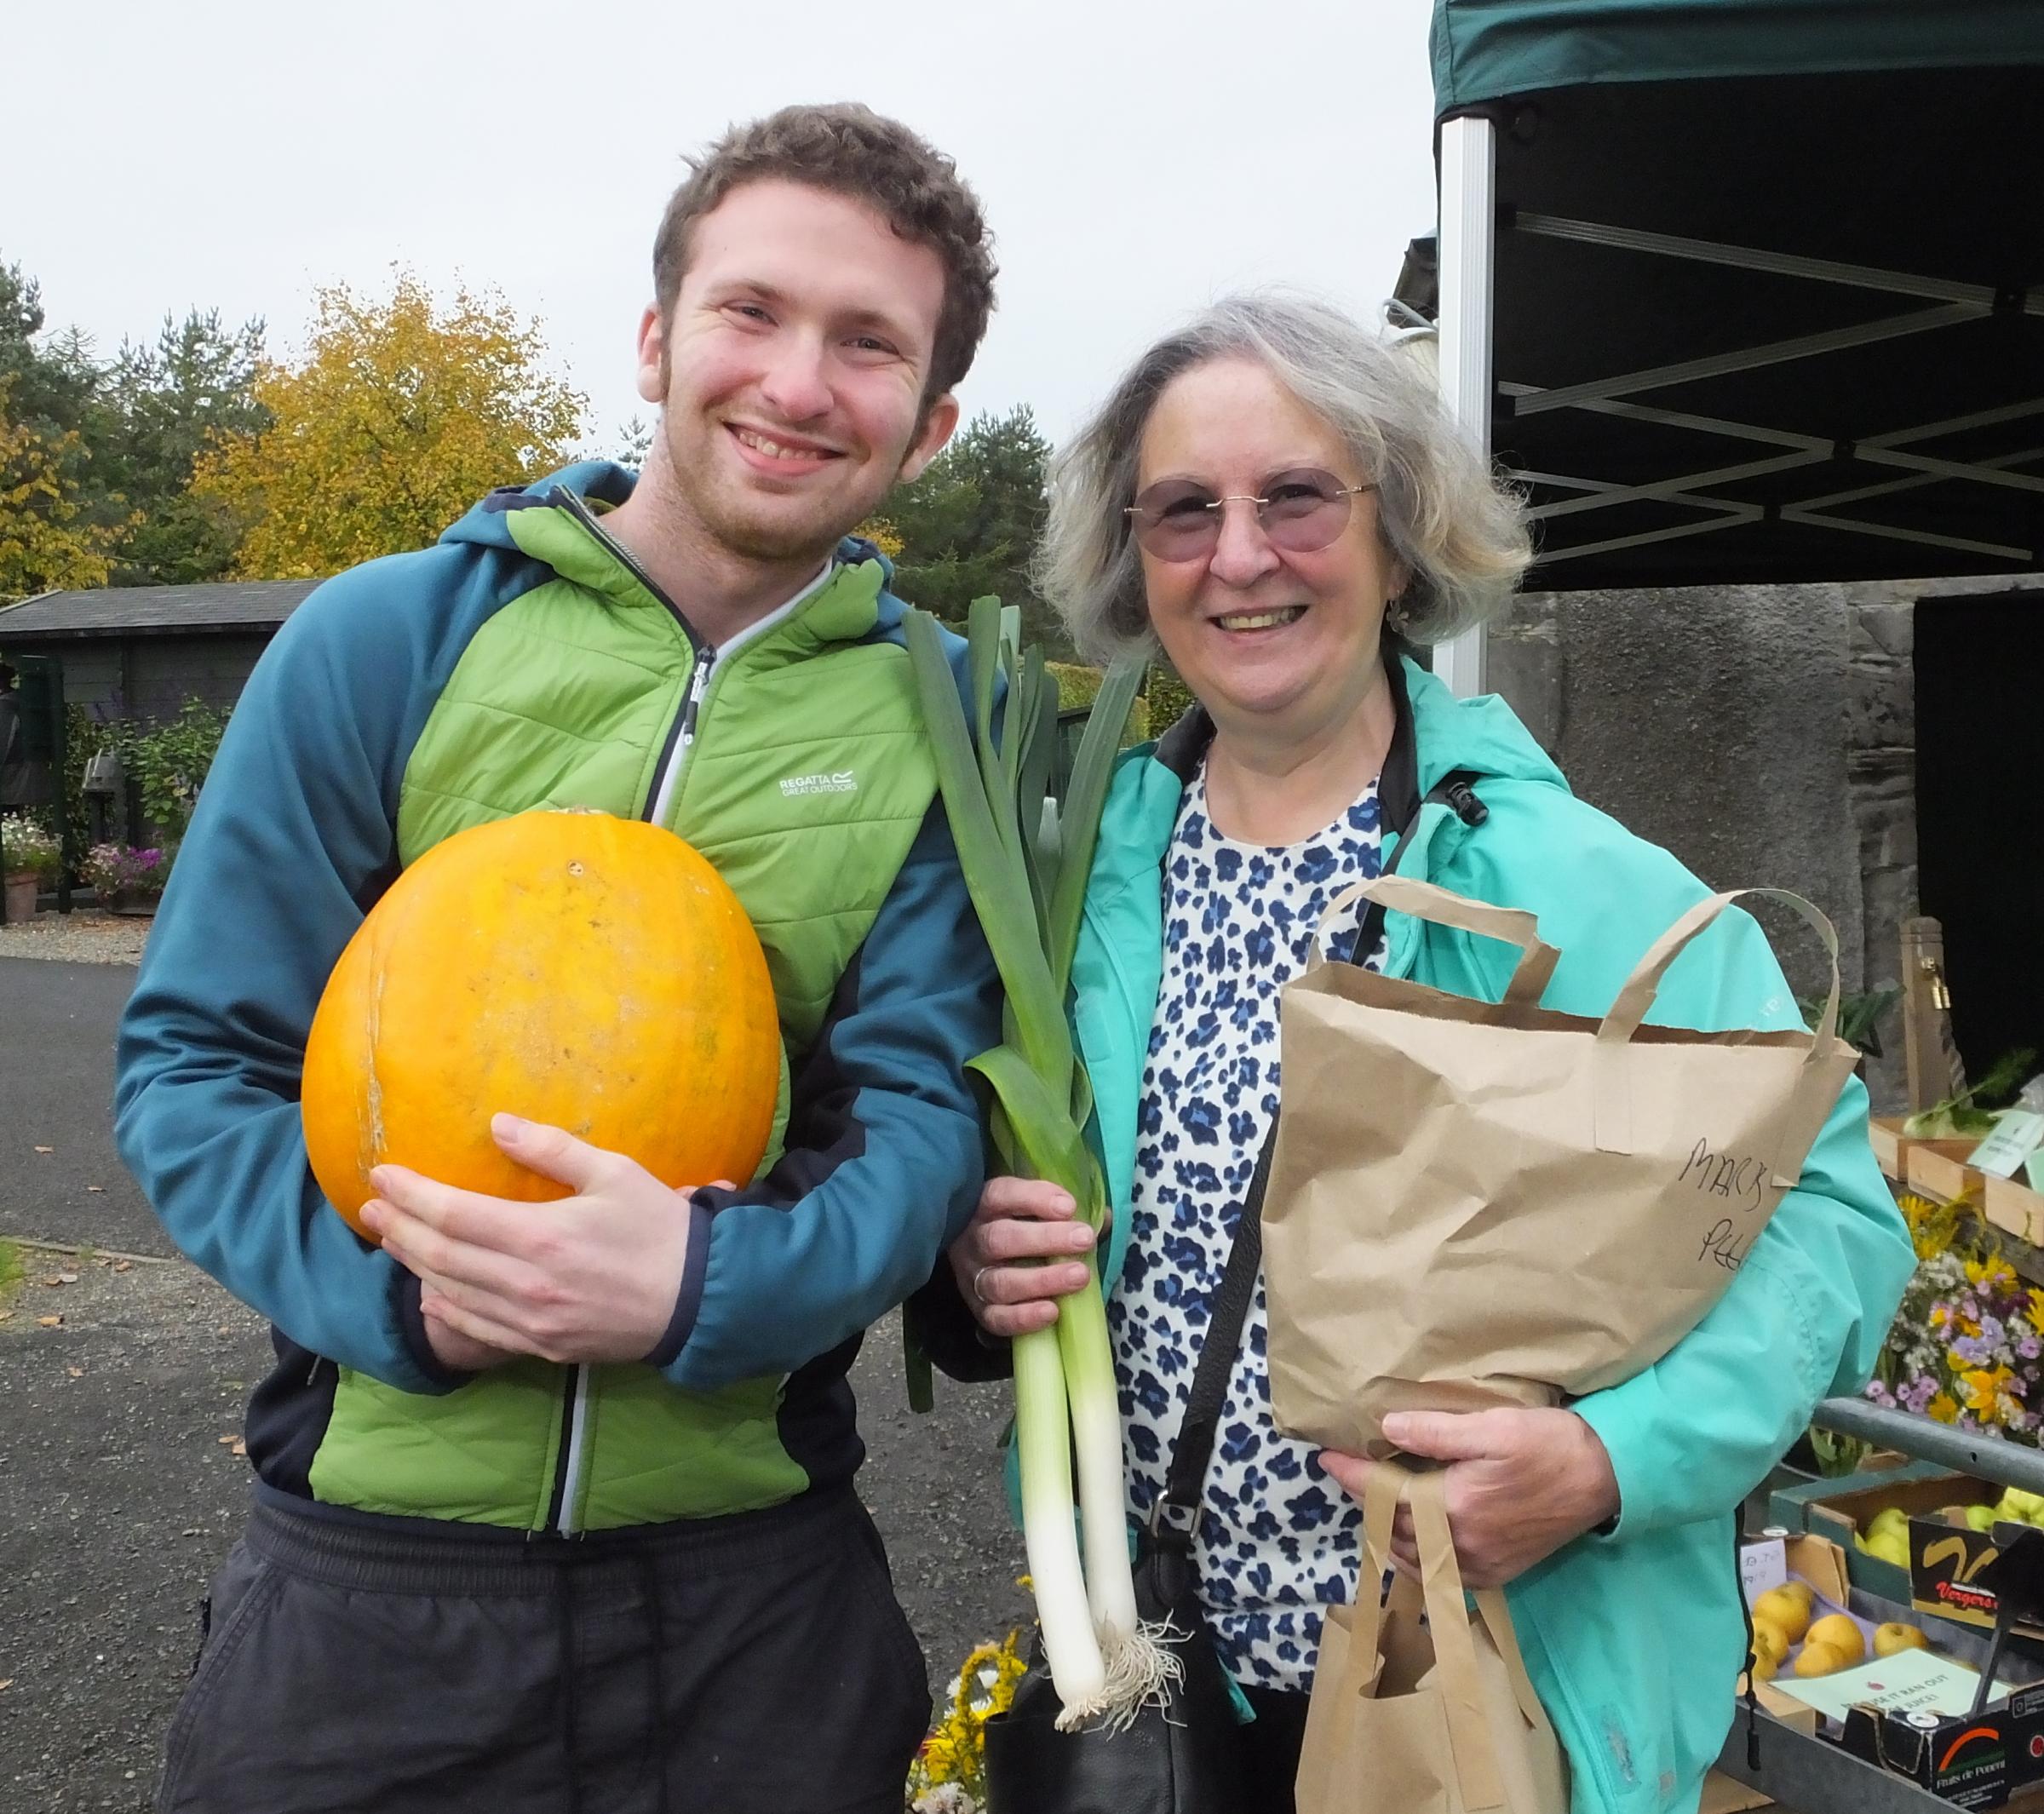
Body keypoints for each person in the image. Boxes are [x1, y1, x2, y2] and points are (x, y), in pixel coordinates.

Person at [116, 104, 1002, 1814]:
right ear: (661, 337)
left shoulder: (947, 723)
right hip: (372, 1589)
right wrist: (409, 1300)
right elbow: (193, 1066)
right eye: (752, 313)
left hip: (759, 1600)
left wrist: (699, 1290)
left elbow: (921, 1123)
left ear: (933, 417)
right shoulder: (387, 639)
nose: (799, 382)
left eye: (867, 343)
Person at [920, 294, 1915, 1813]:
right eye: (1185, 511)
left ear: (1398, 535)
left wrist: (1609, 1460)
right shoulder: (1076, 882)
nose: (1239, 555)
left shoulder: (1568, 881)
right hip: (1155, 1687)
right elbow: (992, 1188)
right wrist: (975, 1269)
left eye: (1298, 496)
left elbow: (1835, 1229)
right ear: (1135, 557)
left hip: (1473, 1691)